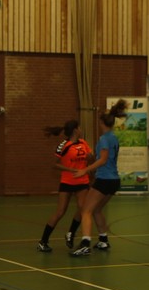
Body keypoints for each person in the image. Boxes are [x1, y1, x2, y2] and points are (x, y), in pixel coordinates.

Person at [70, 100, 127, 256]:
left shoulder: (104, 139)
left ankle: (85, 244)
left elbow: (103, 159)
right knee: (97, 210)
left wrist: (85, 170)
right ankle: (103, 239)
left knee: (86, 210)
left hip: (104, 180)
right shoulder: (113, 137)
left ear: (101, 123)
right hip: (114, 180)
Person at [37, 120, 91, 252]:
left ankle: (71, 233)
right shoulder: (64, 145)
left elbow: (90, 158)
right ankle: (43, 241)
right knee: (60, 212)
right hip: (68, 181)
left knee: (83, 209)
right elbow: (55, 164)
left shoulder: (83, 143)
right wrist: (71, 169)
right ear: (75, 130)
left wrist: (91, 161)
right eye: (79, 127)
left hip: (82, 181)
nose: (81, 130)